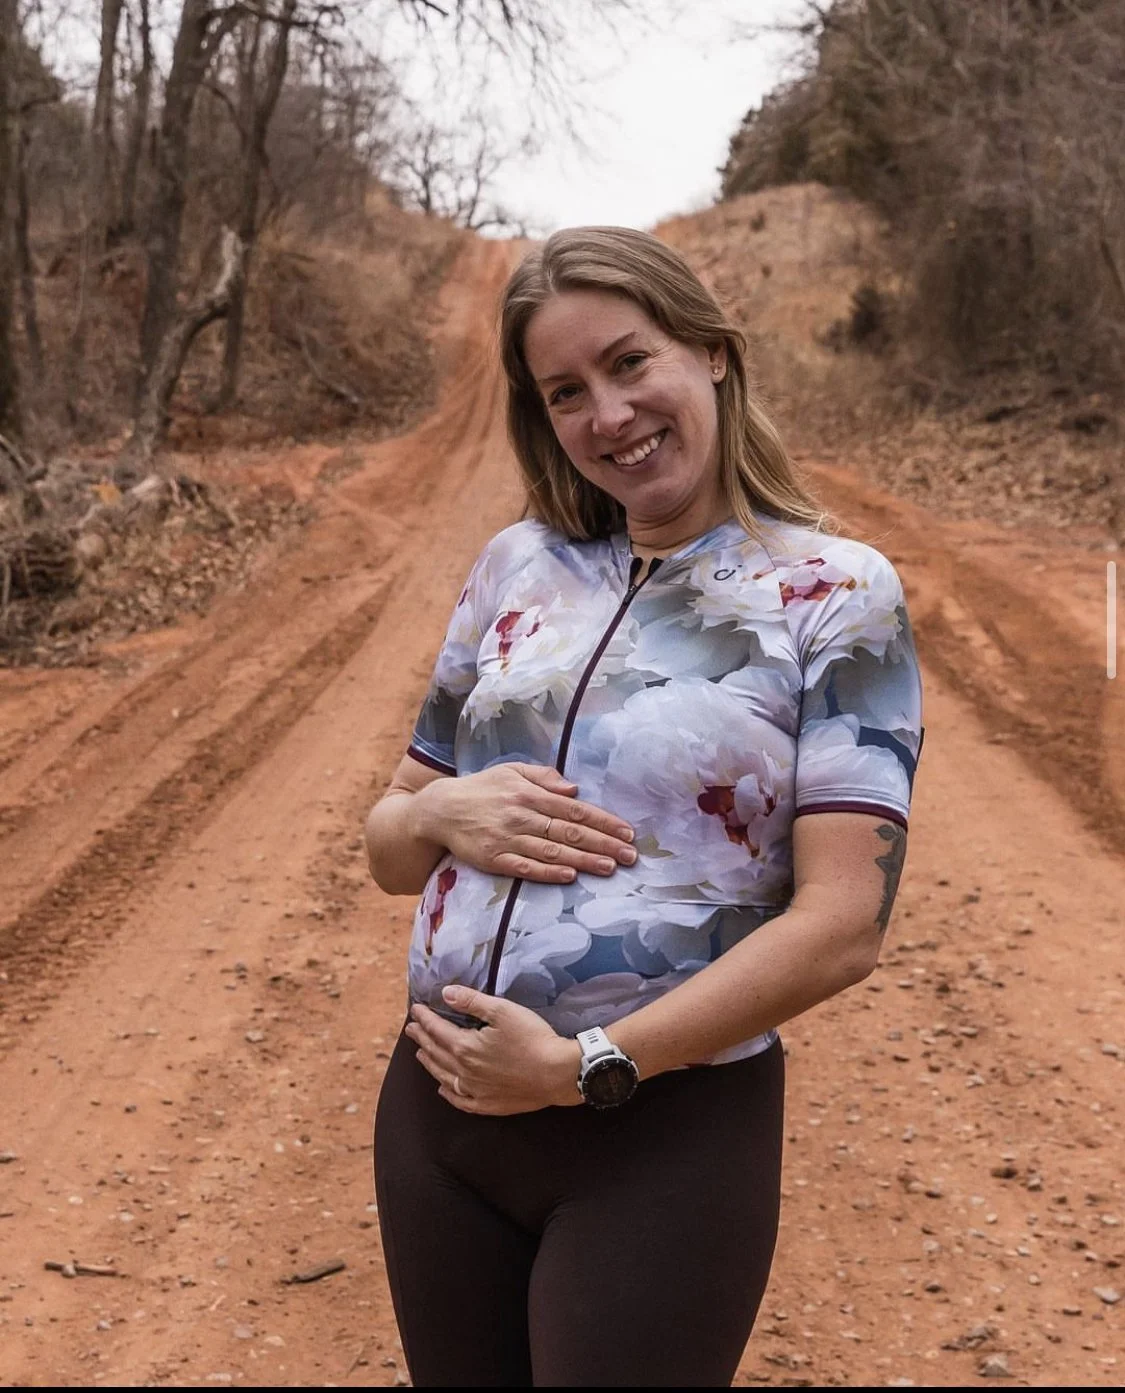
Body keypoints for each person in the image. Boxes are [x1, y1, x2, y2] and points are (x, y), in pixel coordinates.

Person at [364, 226, 924, 1388]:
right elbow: (388, 841)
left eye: (630, 364)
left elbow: (844, 923)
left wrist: (588, 1065)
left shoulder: (834, 591)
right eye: (566, 391)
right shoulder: (516, 565)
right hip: (438, 1114)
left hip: (660, 1134)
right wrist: (444, 813)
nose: (607, 415)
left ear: (712, 352)